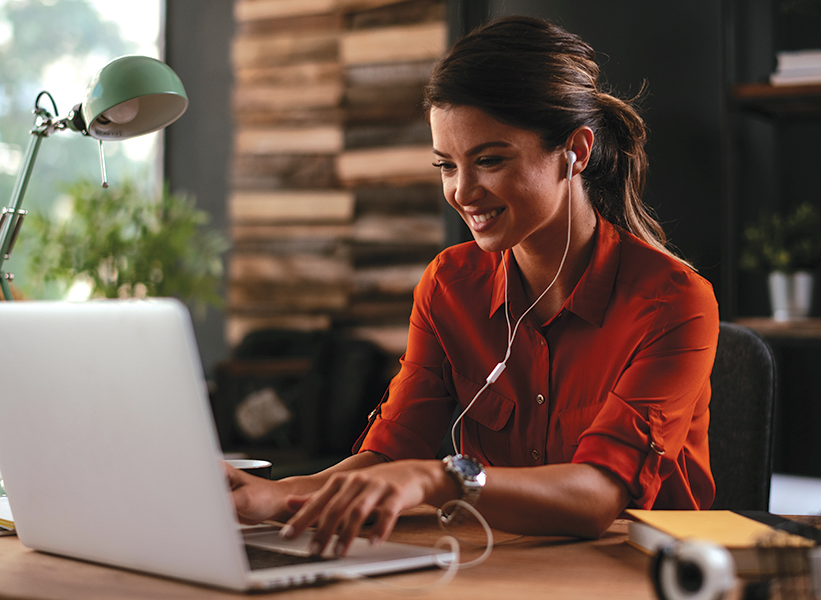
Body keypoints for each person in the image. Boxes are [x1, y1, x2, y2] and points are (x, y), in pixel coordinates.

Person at [226, 15, 719, 559]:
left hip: (643, 571)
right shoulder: (449, 287)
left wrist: (444, 479)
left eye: (489, 160)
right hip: (497, 565)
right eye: (446, 166)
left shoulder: (674, 302)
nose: (463, 192)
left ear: (576, 151)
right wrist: (272, 498)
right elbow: (391, 457)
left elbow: (599, 496)